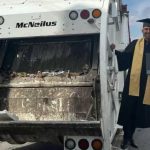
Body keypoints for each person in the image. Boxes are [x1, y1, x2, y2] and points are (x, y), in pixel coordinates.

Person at [110, 18, 150, 149]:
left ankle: (131, 137)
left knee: (141, 113)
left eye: (149, 29)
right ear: (142, 30)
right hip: (133, 85)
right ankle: (127, 139)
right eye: (146, 28)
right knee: (130, 112)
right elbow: (124, 58)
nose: (147, 31)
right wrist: (113, 52)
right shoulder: (135, 44)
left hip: (147, 87)